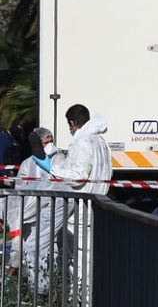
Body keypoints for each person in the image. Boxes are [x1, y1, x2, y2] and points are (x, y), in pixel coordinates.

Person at [32, 104, 112, 304]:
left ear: (72, 123)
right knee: (89, 261)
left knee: (78, 262)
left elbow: (78, 176)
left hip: (81, 209)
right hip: (95, 205)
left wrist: (52, 169)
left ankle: (78, 301)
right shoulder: (100, 142)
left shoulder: (83, 142)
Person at [3, 127, 74, 294]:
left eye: (51, 140)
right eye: (46, 142)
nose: (50, 144)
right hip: (32, 212)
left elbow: (59, 181)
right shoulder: (28, 163)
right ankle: (39, 288)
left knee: (45, 247)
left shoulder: (60, 159)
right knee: (31, 248)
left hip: (52, 209)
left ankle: (44, 289)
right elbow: (21, 188)